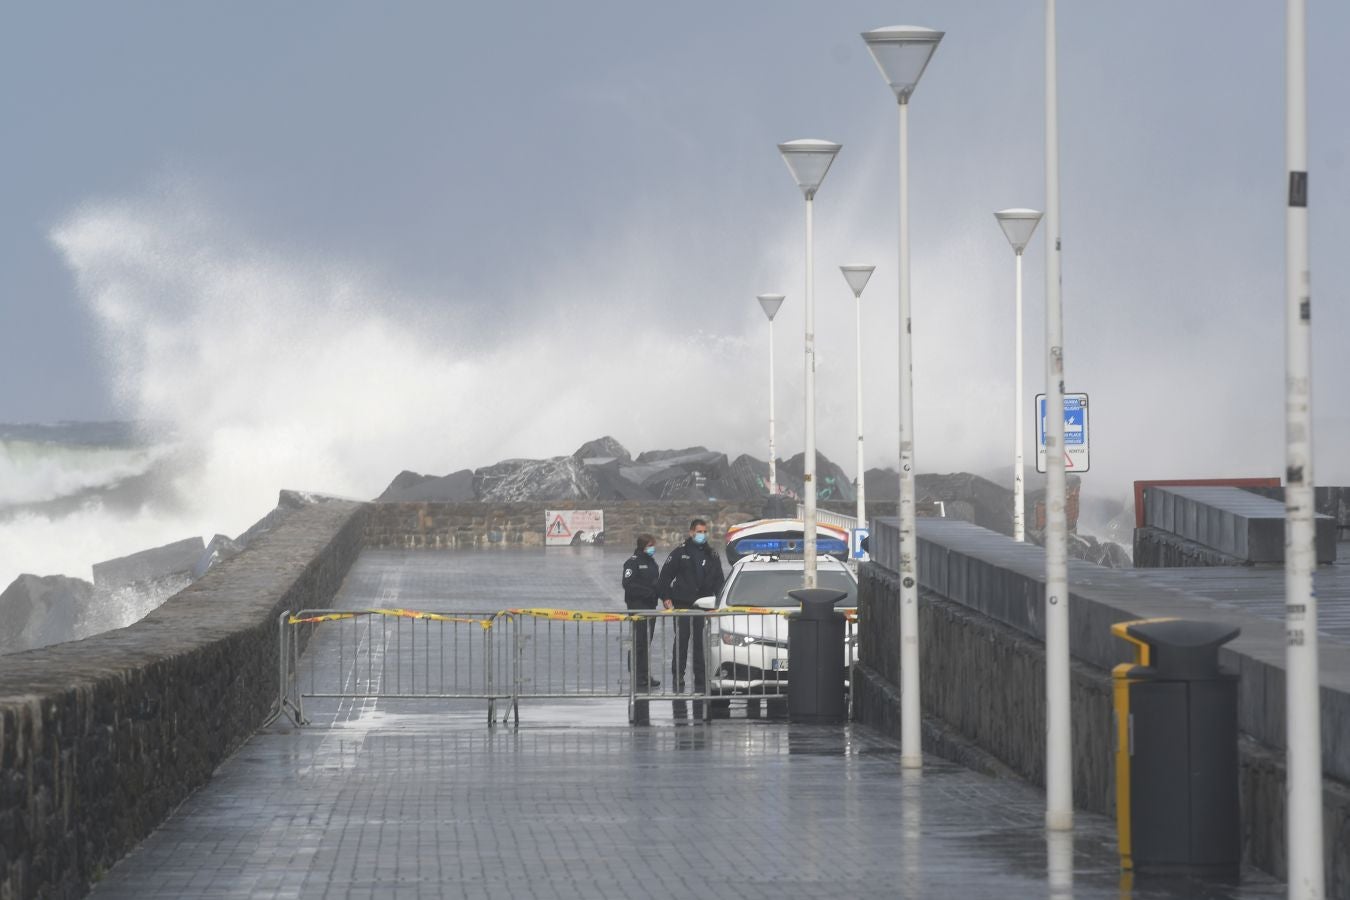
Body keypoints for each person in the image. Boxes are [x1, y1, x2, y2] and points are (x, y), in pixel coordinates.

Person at [658, 519, 725, 696]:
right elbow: (665, 576)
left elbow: (719, 581)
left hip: (704, 605)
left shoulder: (712, 555)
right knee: (681, 640)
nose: (702, 534)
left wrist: (718, 604)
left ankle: (701, 676)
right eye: (699, 531)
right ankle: (678, 675)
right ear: (691, 532)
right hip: (683, 603)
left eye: (704, 531)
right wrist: (665, 597)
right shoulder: (680, 553)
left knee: (700, 643)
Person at [622, 534, 661, 690]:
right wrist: (648, 593)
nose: (653, 548)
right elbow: (628, 584)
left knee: (646, 643)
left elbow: (656, 583)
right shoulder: (632, 563)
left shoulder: (652, 563)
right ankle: (636, 676)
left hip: (650, 607)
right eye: (650, 545)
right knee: (638, 643)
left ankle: (645, 675)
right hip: (638, 607)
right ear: (643, 546)